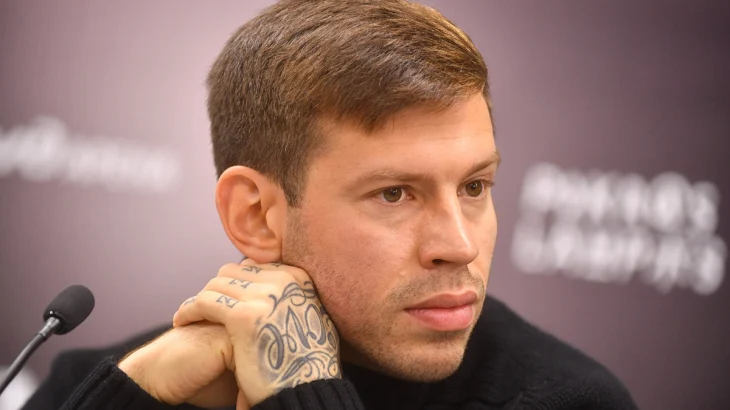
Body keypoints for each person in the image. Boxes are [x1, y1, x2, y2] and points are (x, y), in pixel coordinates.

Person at [22, 0, 638, 409]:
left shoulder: (570, 401)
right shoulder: (108, 383)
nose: (459, 245)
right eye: (394, 193)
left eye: (474, 187)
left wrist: (303, 395)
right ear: (255, 216)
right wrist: (132, 399)